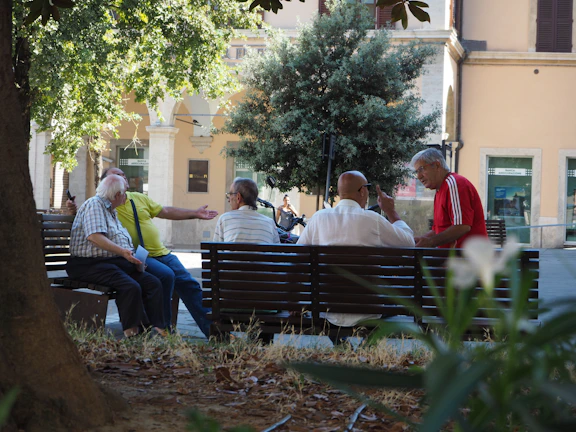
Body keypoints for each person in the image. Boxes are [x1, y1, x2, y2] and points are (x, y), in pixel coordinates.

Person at [69, 167, 217, 337]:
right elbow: (92, 230)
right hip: (115, 259)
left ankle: (209, 331)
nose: (124, 181)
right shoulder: (101, 205)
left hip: (149, 254)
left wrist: (195, 213)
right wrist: (124, 252)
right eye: (118, 178)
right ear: (112, 190)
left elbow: (166, 211)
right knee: (161, 277)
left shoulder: (125, 204)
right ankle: (158, 328)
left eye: (124, 176)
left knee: (186, 283)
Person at [297, 170, 415, 328]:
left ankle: (341, 347)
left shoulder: (319, 218)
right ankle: (361, 349)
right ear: (363, 190)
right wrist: (390, 211)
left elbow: (297, 256)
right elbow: (409, 243)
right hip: (368, 310)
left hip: (328, 309)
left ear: (340, 192)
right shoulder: (372, 220)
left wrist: (295, 300)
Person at [66, 174, 165, 337]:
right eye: (125, 192)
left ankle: (157, 329)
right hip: (88, 265)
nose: (126, 196)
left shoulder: (110, 211)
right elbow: (94, 236)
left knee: (152, 283)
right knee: (130, 286)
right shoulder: (95, 205)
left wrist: (133, 258)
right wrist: (123, 252)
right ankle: (132, 333)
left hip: (111, 263)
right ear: (117, 195)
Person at [410, 148, 487, 248]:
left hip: (466, 259)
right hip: (452, 258)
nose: (419, 176)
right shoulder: (440, 189)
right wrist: (418, 241)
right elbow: (437, 230)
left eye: (421, 169)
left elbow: (462, 226)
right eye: (416, 172)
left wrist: (430, 242)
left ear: (437, 165)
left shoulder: (454, 184)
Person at [213, 177, 280, 244]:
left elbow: (215, 251)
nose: (228, 199)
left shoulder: (224, 219)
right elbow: (278, 252)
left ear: (238, 197)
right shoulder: (270, 223)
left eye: (230, 194)